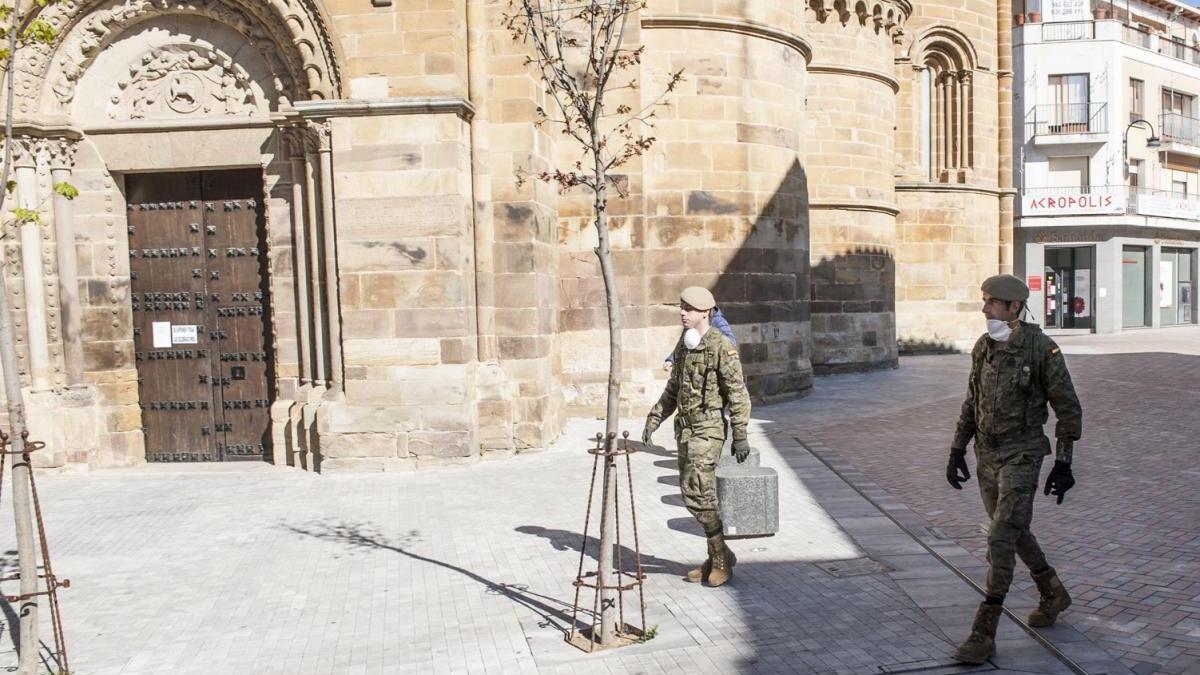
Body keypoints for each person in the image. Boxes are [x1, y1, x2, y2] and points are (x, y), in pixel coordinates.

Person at [946, 274, 1083, 665]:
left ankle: (983, 632)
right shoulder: (983, 347)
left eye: (992, 302)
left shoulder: (1042, 349)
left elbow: (1068, 407)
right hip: (986, 455)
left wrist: (1063, 462)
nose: (985, 308)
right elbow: (972, 401)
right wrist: (957, 449)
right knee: (1015, 529)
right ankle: (1053, 591)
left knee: (1000, 537)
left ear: (1014, 308)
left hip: (1023, 455)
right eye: (984, 300)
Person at [642, 287, 751, 587]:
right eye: (681, 307)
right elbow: (673, 389)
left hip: (709, 428)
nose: (682, 312)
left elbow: (738, 394)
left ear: (706, 312)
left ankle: (720, 559)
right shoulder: (684, 345)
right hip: (686, 429)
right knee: (691, 496)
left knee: (699, 493)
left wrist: (740, 434)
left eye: (688, 309)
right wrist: (654, 418)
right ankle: (717, 555)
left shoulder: (720, 346)